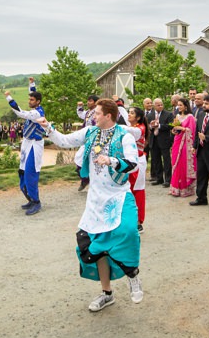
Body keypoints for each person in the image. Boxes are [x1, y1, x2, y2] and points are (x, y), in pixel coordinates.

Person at [43, 100, 143, 311]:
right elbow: (63, 140)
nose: (93, 116)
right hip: (96, 199)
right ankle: (107, 293)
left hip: (118, 195)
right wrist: (48, 127)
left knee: (128, 231)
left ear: (108, 115)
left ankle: (133, 274)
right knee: (96, 246)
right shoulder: (90, 132)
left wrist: (112, 161)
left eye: (97, 113)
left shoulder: (124, 136)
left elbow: (133, 164)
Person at [5, 81, 48, 215]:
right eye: (29, 99)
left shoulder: (37, 114)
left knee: (31, 173)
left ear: (38, 101)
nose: (29, 101)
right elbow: (34, 93)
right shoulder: (35, 109)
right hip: (27, 143)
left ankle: (36, 202)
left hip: (35, 145)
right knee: (22, 172)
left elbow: (20, 113)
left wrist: (9, 98)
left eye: (31, 99)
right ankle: (30, 199)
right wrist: (32, 84)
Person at [169, 100, 196, 197]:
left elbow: (192, 131)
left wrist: (183, 129)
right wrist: (175, 130)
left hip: (186, 144)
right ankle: (176, 188)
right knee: (175, 162)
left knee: (183, 163)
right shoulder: (177, 116)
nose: (179, 107)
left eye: (181, 105)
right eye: (178, 105)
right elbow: (176, 129)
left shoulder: (190, 117)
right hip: (177, 141)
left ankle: (185, 188)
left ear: (186, 106)